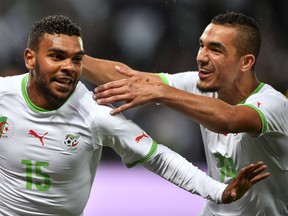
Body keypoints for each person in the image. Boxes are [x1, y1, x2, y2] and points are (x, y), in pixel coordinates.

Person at [0, 14, 270, 216]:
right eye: (57, 57)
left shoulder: (96, 115)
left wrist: (219, 191)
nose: (69, 68)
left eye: (77, 60)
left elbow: (160, 158)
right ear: (30, 58)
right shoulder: (3, 96)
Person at [82, 12, 288, 215]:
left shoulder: (273, 104)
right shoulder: (200, 85)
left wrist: (161, 92)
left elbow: (229, 118)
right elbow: (129, 77)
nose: (201, 57)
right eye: (201, 45)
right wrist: (71, 59)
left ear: (246, 62)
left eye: (216, 50)